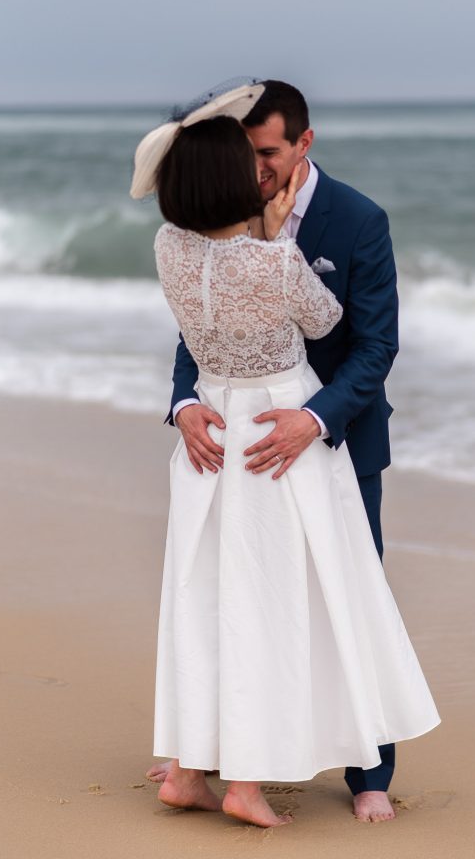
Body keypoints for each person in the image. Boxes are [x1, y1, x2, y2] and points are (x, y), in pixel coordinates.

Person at [133, 81, 440, 828]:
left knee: (345, 601)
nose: (257, 168)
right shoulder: (227, 237)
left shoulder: (359, 220)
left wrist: (314, 418)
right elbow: (192, 338)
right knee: (232, 598)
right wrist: (183, 404)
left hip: (329, 438)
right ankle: (212, 758)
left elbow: (375, 346)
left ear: (304, 143)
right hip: (237, 439)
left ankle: (369, 773)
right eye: (246, 155)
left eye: (267, 152)